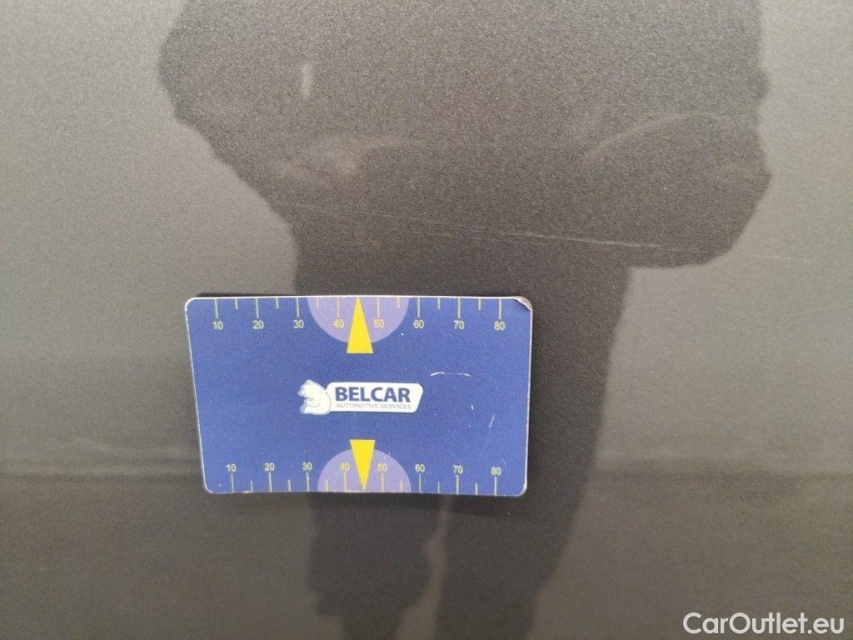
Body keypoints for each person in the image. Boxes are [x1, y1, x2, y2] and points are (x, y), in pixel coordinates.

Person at [160, 2, 768, 637]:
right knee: (393, 522)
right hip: (425, 222)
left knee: (473, 529)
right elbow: (220, 46)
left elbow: (708, 69)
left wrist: (282, 156)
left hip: (514, 226)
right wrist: (279, 157)